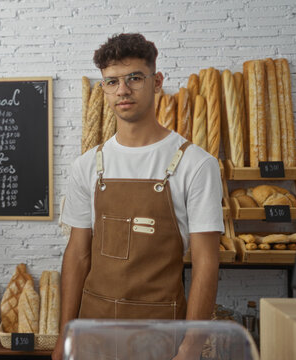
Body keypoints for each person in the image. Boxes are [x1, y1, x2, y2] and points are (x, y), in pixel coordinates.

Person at [52, 33, 222, 360]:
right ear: (104, 88)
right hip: (93, 334)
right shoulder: (88, 165)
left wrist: (191, 346)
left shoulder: (195, 164)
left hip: (161, 336)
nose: (122, 90)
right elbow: (77, 255)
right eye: (111, 82)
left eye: (134, 78)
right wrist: (65, 335)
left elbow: (206, 262)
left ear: (156, 81)